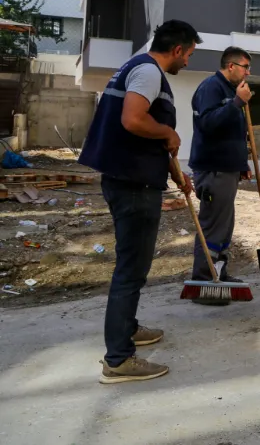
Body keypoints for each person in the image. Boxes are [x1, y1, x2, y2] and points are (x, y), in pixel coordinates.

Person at [78, 20, 202, 383]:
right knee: (131, 270)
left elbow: (140, 134)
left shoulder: (135, 67)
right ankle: (118, 359)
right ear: (177, 50)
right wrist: (168, 131)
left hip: (128, 176)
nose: (188, 63)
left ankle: (127, 328)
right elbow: (133, 120)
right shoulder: (149, 72)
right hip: (132, 184)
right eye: (189, 55)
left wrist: (174, 171)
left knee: (131, 266)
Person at [187, 47, 254, 305]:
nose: (248, 72)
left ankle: (220, 275)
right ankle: (204, 281)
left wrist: (241, 163)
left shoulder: (230, 91)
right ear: (230, 66)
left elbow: (232, 132)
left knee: (225, 227)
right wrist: (237, 103)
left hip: (227, 168)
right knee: (213, 226)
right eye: (245, 66)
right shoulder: (211, 88)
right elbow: (207, 124)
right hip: (213, 169)